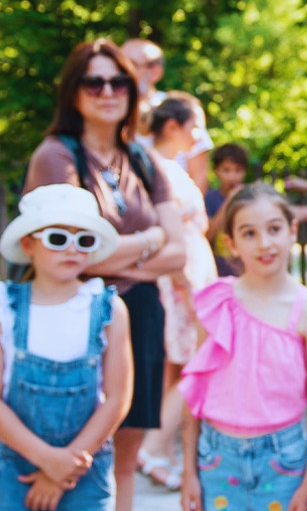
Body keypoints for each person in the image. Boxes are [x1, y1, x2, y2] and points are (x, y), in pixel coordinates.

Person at [24, 38, 186, 511]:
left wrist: (111, 250)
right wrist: (148, 242)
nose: (108, 90)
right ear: (74, 91)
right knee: (69, 447)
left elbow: (177, 253)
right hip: (70, 314)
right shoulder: (57, 156)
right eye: (94, 81)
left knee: (126, 453)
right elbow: (72, 256)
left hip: (138, 314)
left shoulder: (142, 159)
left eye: (119, 81)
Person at [178, 183, 307, 511]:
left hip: (284, 459)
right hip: (217, 459)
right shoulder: (216, 302)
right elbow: (195, 391)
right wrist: (188, 472)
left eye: (274, 229)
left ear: (292, 230)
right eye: (249, 233)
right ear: (231, 243)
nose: (264, 243)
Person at [0, 185, 132, 511]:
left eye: (83, 240)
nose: (71, 249)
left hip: (85, 469)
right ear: (29, 244)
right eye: (58, 239)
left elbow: (118, 398)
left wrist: (64, 468)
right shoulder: (5, 306)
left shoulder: (108, 309)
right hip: (14, 467)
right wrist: (46, 459)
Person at [137, 95, 220, 491]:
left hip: (188, 277)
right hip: (181, 280)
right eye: (194, 126)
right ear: (174, 126)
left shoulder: (168, 166)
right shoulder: (159, 168)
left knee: (183, 365)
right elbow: (168, 234)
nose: (199, 136)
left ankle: (161, 448)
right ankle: (153, 446)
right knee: (198, 363)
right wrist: (186, 287)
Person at [121, 39, 214, 193]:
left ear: (155, 71)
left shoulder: (181, 108)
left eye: (133, 64)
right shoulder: (106, 109)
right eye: (120, 64)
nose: (123, 71)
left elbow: (200, 177)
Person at [204, 143, 249, 277]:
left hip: (244, 269)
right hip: (217, 269)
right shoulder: (209, 198)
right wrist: (228, 201)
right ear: (216, 170)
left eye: (237, 170)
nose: (232, 176)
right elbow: (208, 235)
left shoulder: (249, 198)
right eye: (226, 170)